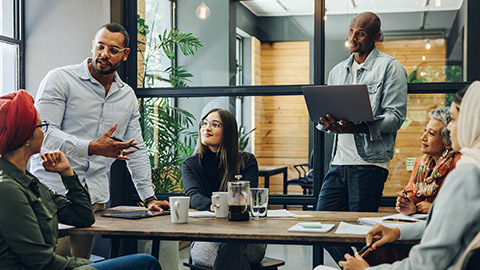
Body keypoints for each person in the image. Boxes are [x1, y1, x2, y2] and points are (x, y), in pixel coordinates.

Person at [28, 23, 169, 258]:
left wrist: (149, 198)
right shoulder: (60, 79)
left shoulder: (127, 96)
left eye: (113, 50)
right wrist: (92, 148)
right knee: (49, 262)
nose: (104, 54)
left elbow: (136, 148)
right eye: (100, 46)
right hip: (52, 193)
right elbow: (43, 134)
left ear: (125, 55)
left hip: (93, 198)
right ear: (93, 45)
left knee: (81, 264)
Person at [0, 90, 161, 270]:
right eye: (41, 126)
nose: (44, 133)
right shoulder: (8, 189)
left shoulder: (30, 182)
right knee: (146, 264)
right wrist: (90, 265)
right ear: (26, 136)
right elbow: (41, 262)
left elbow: (83, 218)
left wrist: (68, 174)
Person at [326, 82, 480, 270]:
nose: (450, 129)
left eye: (454, 120)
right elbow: (447, 227)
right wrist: (398, 231)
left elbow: (426, 264)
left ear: (472, 122)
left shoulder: (467, 174)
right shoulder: (471, 167)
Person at [316, 11, 407, 264]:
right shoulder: (337, 71)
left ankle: (366, 267)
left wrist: (358, 128)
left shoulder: (391, 67)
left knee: (359, 233)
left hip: (369, 163)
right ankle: (360, 268)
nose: (353, 37)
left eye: (361, 33)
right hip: (339, 162)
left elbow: (395, 117)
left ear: (376, 36)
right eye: (351, 30)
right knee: (321, 224)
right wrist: (327, 122)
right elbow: (329, 112)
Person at [182, 108, 266, 270]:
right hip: (207, 236)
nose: (207, 128)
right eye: (204, 123)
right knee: (229, 253)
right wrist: (215, 206)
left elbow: (245, 197)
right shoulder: (190, 164)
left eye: (215, 124)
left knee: (232, 247)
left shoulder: (247, 161)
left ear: (228, 131)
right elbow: (194, 196)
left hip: (246, 235)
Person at [396, 107, 461, 215]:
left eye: (431, 133)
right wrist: (408, 204)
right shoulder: (421, 162)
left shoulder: (459, 163)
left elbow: (464, 207)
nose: (423, 137)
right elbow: (412, 194)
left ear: (447, 141)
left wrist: (435, 209)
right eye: (425, 131)